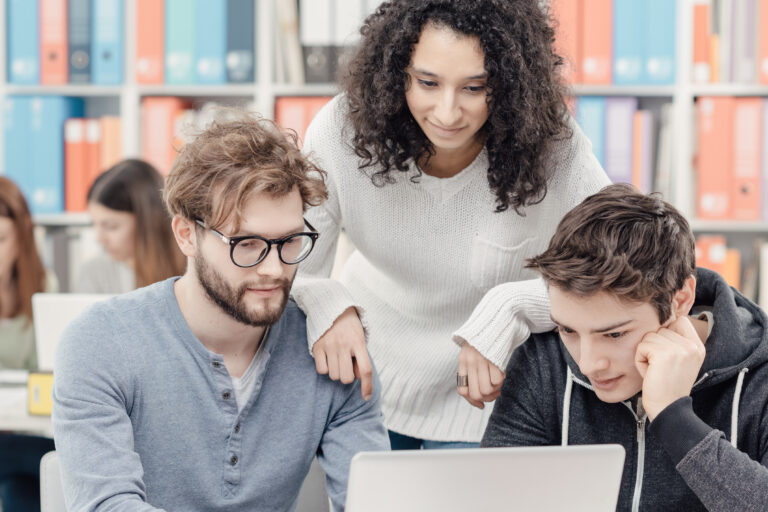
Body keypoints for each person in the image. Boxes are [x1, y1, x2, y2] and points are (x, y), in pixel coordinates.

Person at [291, 0, 611, 448]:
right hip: (366, 382)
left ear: (510, 82)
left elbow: (618, 269)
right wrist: (328, 303)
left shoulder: (551, 144)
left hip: (490, 398)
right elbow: (285, 261)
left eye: (475, 88)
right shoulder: (341, 131)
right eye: (427, 82)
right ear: (396, 71)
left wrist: (510, 307)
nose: (447, 112)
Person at [52, 115, 389, 511]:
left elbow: (375, 504)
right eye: (246, 243)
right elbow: (107, 506)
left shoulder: (332, 351)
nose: (275, 268)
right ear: (185, 235)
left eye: (290, 241)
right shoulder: (100, 343)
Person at [482, 184, 768, 510]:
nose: (588, 364)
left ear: (681, 299)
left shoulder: (761, 377)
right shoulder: (542, 360)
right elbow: (495, 499)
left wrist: (673, 416)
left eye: (614, 335)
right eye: (568, 330)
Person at [0, 176, 57, 512]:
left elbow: (48, 366)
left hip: (29, 428)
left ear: (21, 238)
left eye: (1, 238)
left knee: (24, 480)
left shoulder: (44, 284)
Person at [74, 158, 185, 293]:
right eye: (94, 224)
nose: (99, 239)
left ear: (148, 223)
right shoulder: (93, 273)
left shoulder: (189, 270)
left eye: (111, 226)